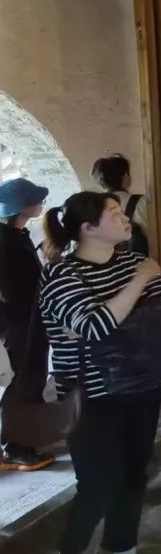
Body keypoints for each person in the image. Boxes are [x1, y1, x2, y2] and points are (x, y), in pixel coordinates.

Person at [38, 192, 161, 554]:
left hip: (141, 385)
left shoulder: (135, 261)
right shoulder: (61, 273)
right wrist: (138, 284)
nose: (125, 218)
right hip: (90, 396)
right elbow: (96, 325)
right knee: (97, 485)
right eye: (114, 214)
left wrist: (107, 319)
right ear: (88, 228)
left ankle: (120, 547)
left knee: (133, 476)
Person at [0, 178, 54, 471]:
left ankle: (20, 443)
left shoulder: (16, 235)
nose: (40, 204)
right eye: (35, 199)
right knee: (25, 383)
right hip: (20, 323)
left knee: (29, 380)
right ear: (20, 207)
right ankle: (14, 448)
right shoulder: (5, 240)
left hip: (28, 320)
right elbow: (12, 289)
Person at [90, 154, 150, 256]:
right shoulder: (142, 202)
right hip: (137, 259)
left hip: (103, 260)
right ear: (125, 176)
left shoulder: (92, 204)